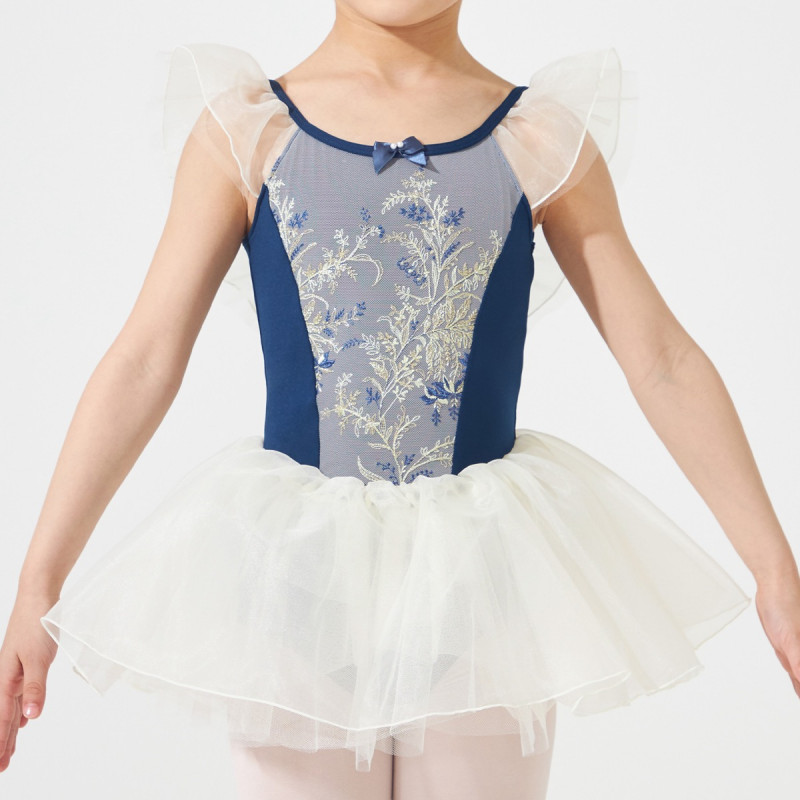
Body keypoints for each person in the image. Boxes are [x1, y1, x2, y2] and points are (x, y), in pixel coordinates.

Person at [1, 1, 798, 797]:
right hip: (301, 588)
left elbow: (662, 360)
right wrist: (38, 587)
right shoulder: (249, 131)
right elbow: (143, 360)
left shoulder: (537, 139)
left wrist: (775, 571)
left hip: (478, 592)